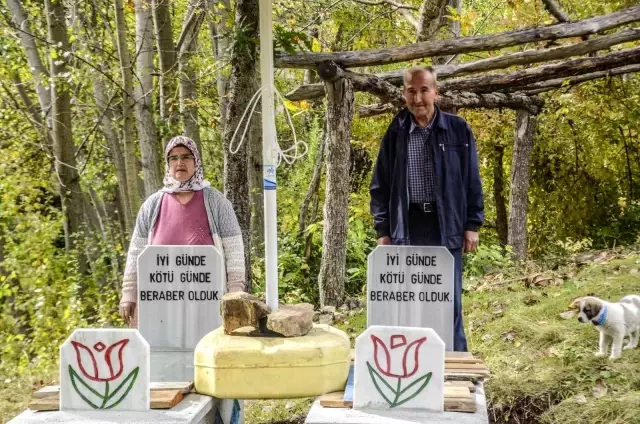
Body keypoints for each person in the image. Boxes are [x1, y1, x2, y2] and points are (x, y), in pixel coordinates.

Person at [369, 66, 484, 352]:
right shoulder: (396, 131)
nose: (418, 98)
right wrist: (384, 230)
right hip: (407, 228)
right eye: (411, 91)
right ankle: (414, 364)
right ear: (404, 94)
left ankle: (456, 365)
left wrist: (472, 224)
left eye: (424, 90)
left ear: (436, 93)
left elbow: (471, 179)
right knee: (409, 303)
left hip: (447, 226)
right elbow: (380, 185)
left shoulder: (458, 129)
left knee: (449, 302)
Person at [119, 135, 245, 327]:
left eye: (186, 157)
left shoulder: (217, 203)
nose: (180, 162)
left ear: (196, 162)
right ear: (168, 164)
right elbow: (136, 251)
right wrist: (128, 294)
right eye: (174, 158)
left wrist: (235, 294)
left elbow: (234, 251)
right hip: (161, 304)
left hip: (207, 305)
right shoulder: (152, 206)